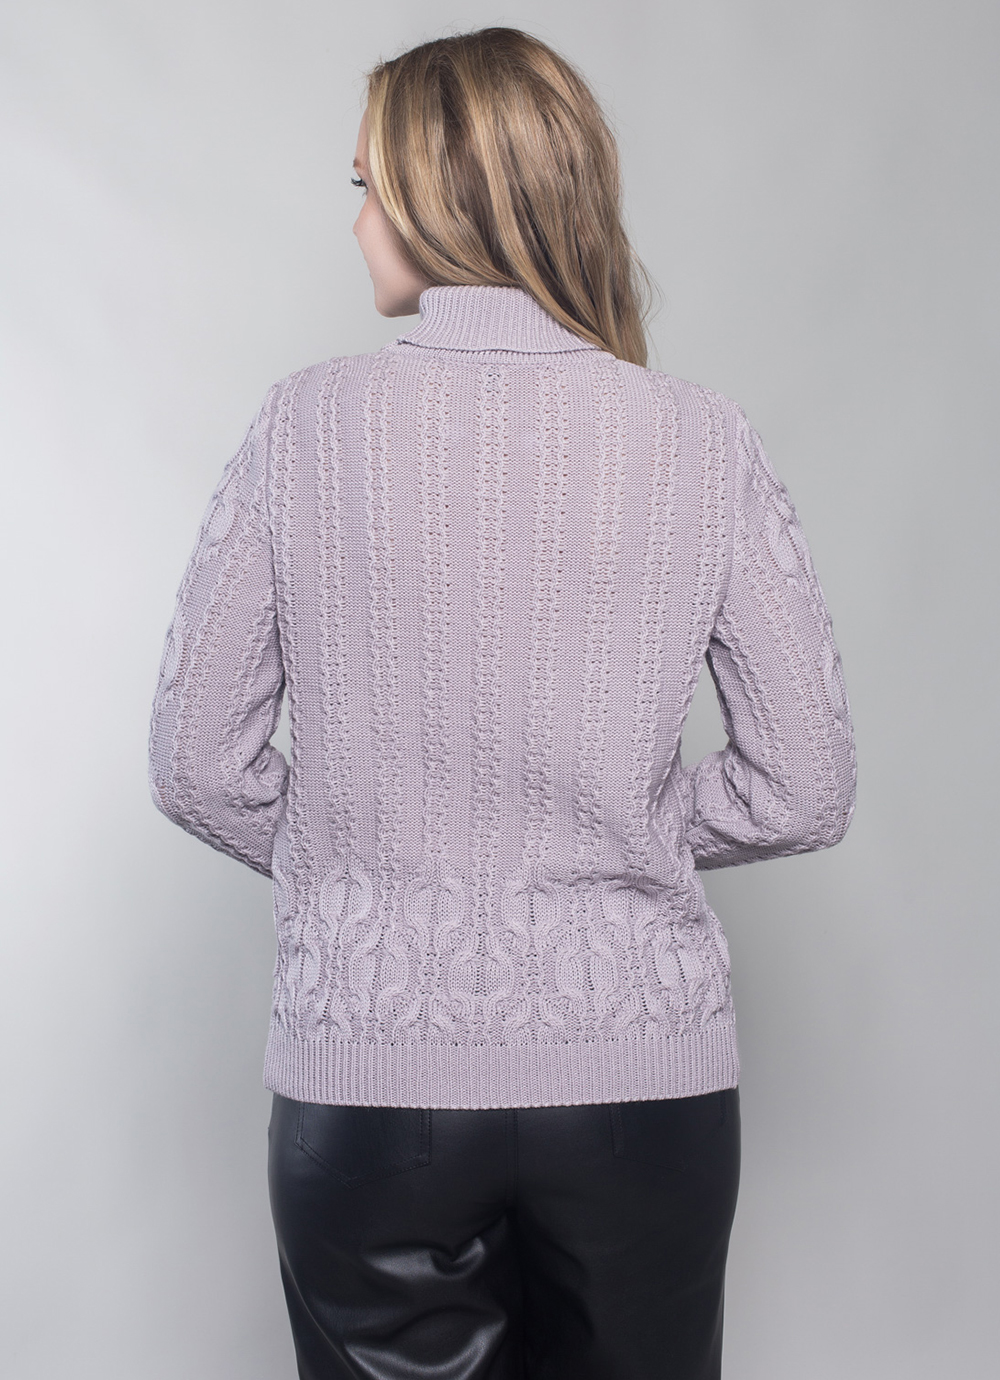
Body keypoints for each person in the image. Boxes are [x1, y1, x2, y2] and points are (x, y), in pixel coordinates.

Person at [147, 25, 856, 1380]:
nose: (357, 221)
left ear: (440, 197)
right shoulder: (702, 439)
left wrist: (362, 861)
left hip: (371, 1094)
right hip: (644, 1092)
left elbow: (198, 764)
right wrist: (627, 834)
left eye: (369, 186)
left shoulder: (303, 427)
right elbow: (803, 785)